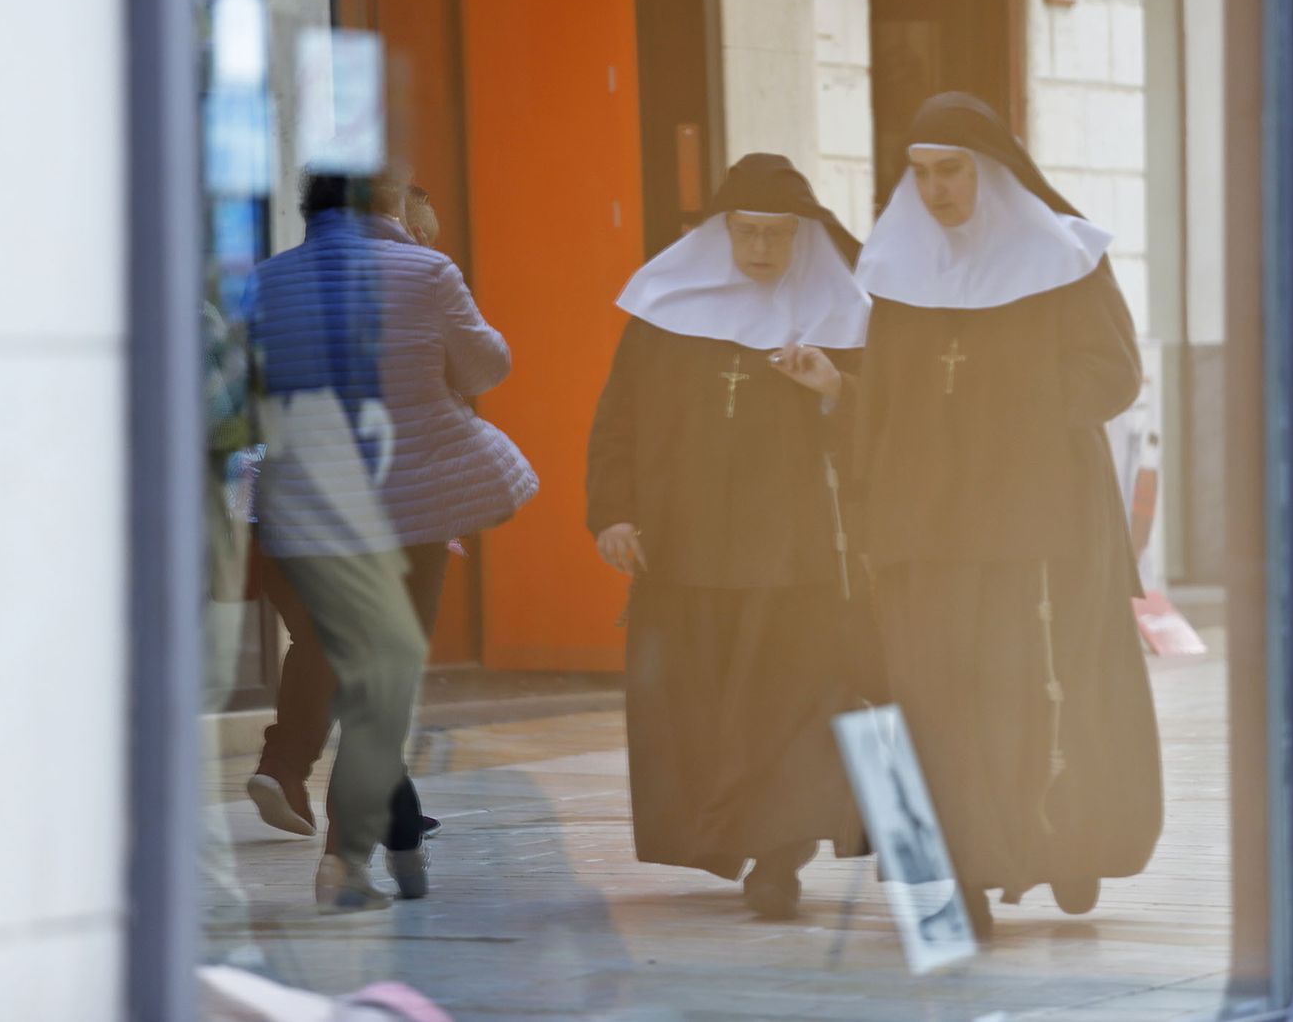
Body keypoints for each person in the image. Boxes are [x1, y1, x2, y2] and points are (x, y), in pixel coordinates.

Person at [773, 93, 1164, 938]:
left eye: (952, 171)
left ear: (992, 172)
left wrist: (1006, 406)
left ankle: (1067, 845)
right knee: (928, 702)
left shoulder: (1065, 257)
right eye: (919, 174)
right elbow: (902, 406)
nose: (936, 190)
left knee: (1033, 696)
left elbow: (1113, 374)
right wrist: (839, 389)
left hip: (1040, 526)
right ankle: (957, 881)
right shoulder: (902, 274)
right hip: (925, 527)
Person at [586, 153, 878, 920]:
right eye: (746, 232)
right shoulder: (663, 313)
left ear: (802, 239)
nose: (759, 249)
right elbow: (619, 419)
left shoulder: (839, 317)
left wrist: (834, 389)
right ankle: (727, 839)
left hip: (796, 560)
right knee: (702, 713)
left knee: (788, 712)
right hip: (684, 553)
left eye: (776, 235)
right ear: (720, 233)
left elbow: (890, 427)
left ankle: (779, 861)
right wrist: (613, 513)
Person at [247, 170, 537, 911]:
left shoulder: (270, 279)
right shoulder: (428, 270)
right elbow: (486, 365)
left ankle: (316, 787)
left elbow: (253, 390)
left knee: (336, 654)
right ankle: (346, 862)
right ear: (387, 204)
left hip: (304, 505)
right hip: (405, 507)